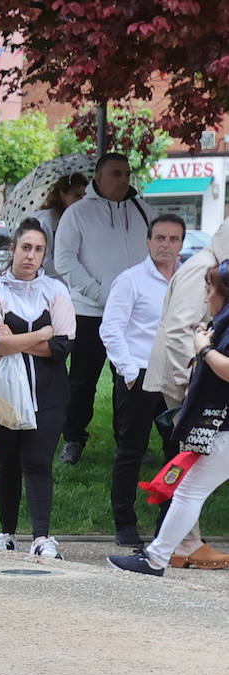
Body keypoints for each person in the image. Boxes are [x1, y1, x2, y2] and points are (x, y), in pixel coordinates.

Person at [110, 260, 229, 577]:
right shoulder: (222, 325)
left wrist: (204, 349)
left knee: (189, 490)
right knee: (191, 489)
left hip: (224, 430)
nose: (206, 299)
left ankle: (156, 559)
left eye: (210, 291)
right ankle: (157, 557)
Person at [0, 218, 76, 559]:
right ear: (12, 249)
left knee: (37, 462)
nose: (31, 256)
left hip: (48, 395)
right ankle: (6, 533)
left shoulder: (56, 291)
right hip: (1, 395)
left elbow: (63, 347)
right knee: (7, 463)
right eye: (25, 248)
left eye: (38, 250)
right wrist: (40, 336)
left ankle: (41, 538)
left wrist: (13, 339)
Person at [142, 216, 229, 568]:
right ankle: (181, 546)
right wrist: (188, 388)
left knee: (190, 474)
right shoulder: (207, 269)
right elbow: (181, 333)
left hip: (204, 389)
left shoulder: (212, 266)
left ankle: (175, 548)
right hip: (193, 388)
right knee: (189, 472)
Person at [53, 152, 151, 464]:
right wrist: (101, 293)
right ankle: (74, 440)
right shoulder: (77, 214)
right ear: (98, 178)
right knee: (82, 381)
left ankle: (131, 442)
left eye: (127, 173)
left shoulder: (143, 210)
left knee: (132, 380)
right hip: (89, 313)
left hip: (133, 315)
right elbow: (65, 260)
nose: (124, 179)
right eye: (116, 174)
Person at [99, 214, 184, 548]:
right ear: (148, 242)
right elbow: (111, 328)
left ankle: (171, 523)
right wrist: (130, 373)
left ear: (181, 243)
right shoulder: (130, 280)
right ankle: (125, 523)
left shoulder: (190, 280)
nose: (166, 245)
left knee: (177, 454)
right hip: (139, 375)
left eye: (173, 239)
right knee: (130, 452)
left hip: (176, 377)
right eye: (160, 238)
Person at [33, 171, 86, 277]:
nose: (82, 201)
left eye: (85, 196)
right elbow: (43, 262)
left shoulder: (85, 221)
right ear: (62, 195)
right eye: (77, 196)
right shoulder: (46, 221)